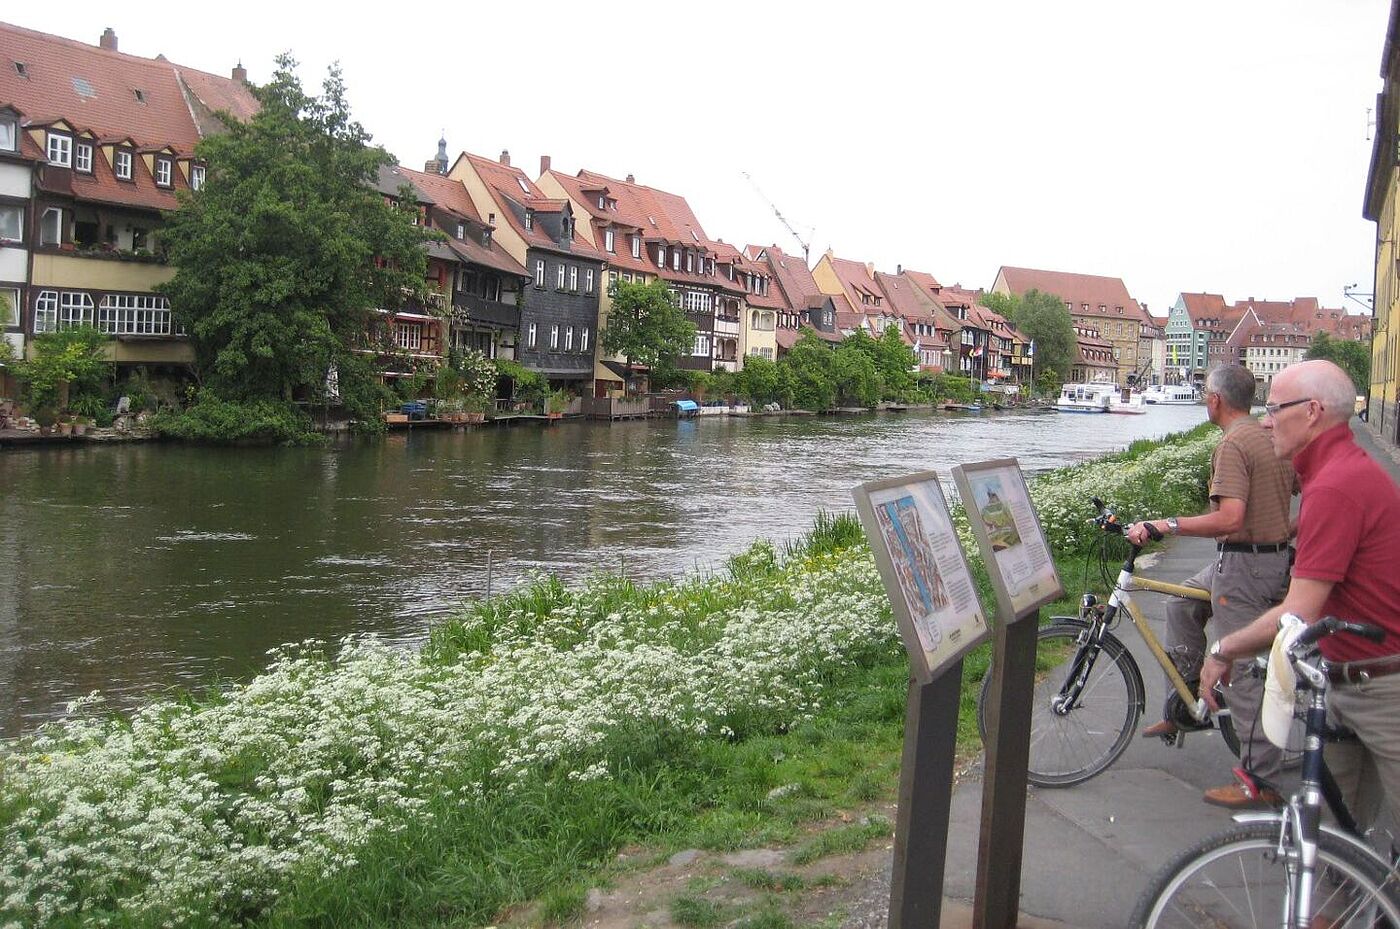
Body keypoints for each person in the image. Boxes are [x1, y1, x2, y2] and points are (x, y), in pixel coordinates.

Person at [1200, 359, 1400, 830]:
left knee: (1341, 833)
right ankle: (1334, 904)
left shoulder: (1336, 484)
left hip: (1382, 690)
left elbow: (1299, 612)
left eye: (1274, 408)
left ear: (1311, 411)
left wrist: (1224, 648)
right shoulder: (1335, 472)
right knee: (1333, 841)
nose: (1266, 419)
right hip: (1350, 679)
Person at [1125, 365, 1295, 809]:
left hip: (1245, 566)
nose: (1204, 400)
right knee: (1183, 604)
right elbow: (1303, 487)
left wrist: (1167, 523)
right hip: (1255, 559)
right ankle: (1184, 705)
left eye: (1204, 394)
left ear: (1217, 400)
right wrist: (1287, 530)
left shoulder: (1235, 444)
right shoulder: (1266, 436)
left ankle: (1260, 782)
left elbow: (1230, 518)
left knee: (1238, 667)